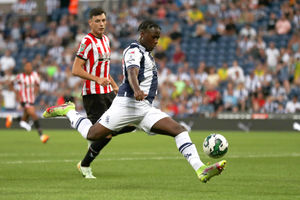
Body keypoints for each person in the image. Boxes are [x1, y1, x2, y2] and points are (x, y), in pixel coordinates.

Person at [43, 20, 226, 183]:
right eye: (153, 37)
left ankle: (200, 169)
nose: (156, 41)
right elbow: (132, 72)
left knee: (179, 130)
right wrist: (137, 89)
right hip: (126, 105)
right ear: (142, 35)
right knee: (92, 135)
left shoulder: (148, 54)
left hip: (145, 108)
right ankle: (69, 110)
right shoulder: (134, 50)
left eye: (158, 38)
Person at [71, 7, 135, 179]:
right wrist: (96, 79)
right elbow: (76, 69)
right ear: (90, 22)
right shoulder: (87, 41)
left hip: (108, 92)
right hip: (93, 94)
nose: (101, 24)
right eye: (97, 21)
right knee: (106, 135)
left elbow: (104, 70)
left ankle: (93, 136)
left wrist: (115, 86)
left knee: (131, 123)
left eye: (103, 20)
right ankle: (84, 165)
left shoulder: (106, 40)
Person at [15, 62, 49, 143]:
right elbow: (12, 84)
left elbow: (37, 84)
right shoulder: (20, 77)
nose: (28, 68)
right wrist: (18, 97)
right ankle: (41, 136)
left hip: (31, 100)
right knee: (34, 115)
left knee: (25, 119)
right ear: (24, 68)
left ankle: (11, 119)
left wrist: (36, 92)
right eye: (27, 66)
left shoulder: (35, 75)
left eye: (30, 66)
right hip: (24, 100)